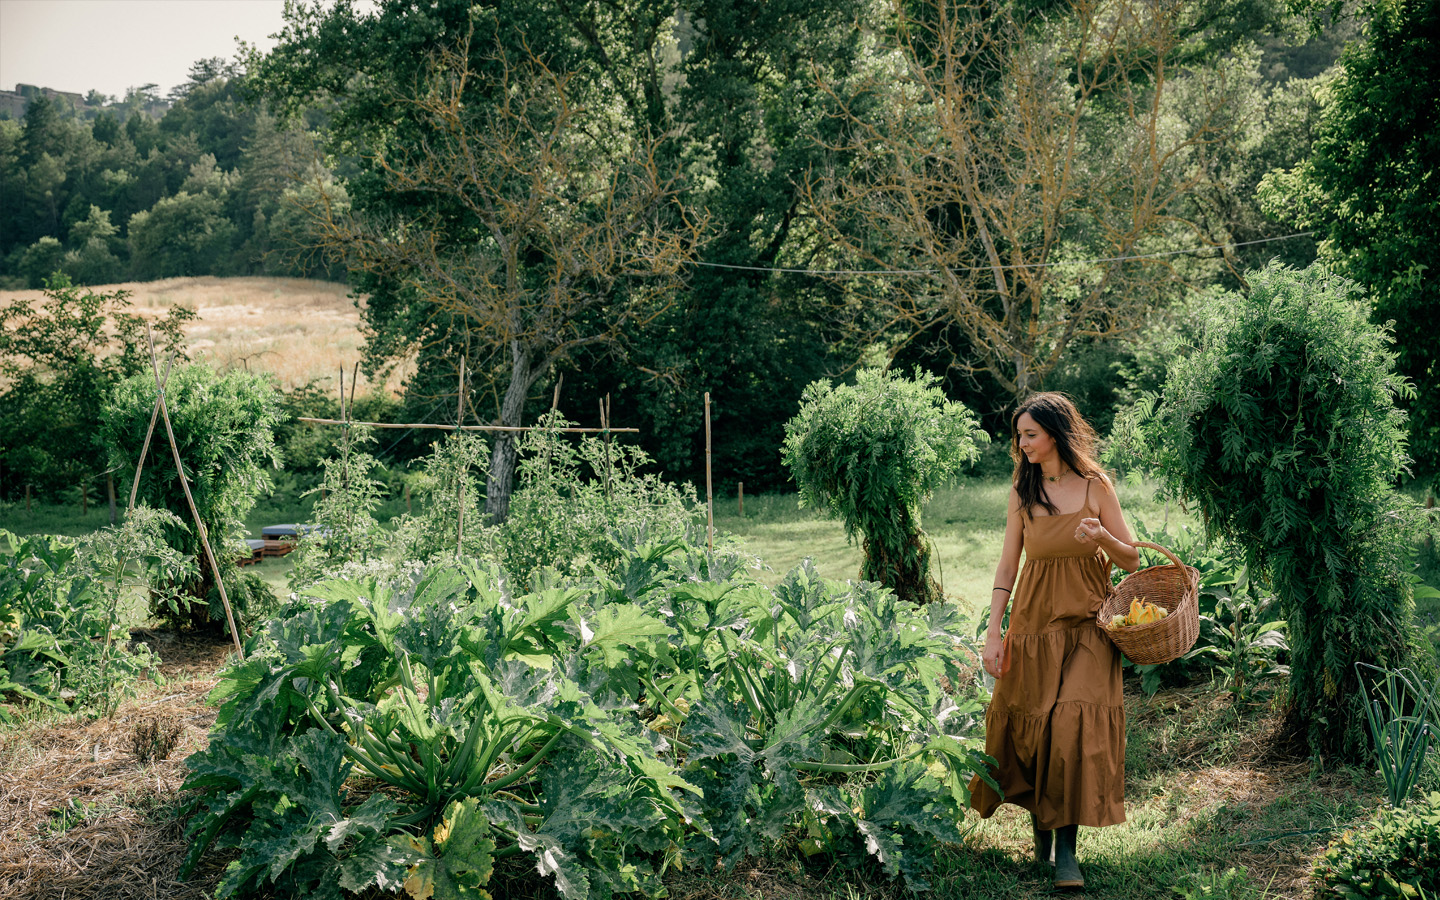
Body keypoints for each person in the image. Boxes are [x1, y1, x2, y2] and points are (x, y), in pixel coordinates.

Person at [968, 392, 1139, 890]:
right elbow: (1007, 566)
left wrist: (1101, 539)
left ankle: (1067, 851)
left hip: (1088, 624)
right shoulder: (1023, 494)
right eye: (1019, 436)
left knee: (1072, 727)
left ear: (1055, 433)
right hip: (1034, 627)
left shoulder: (1095, 486)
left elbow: (1131, 558)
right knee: (1035, 726)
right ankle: (1041, 825)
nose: (1022, 445)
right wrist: (994, 632)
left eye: (1030, 435)